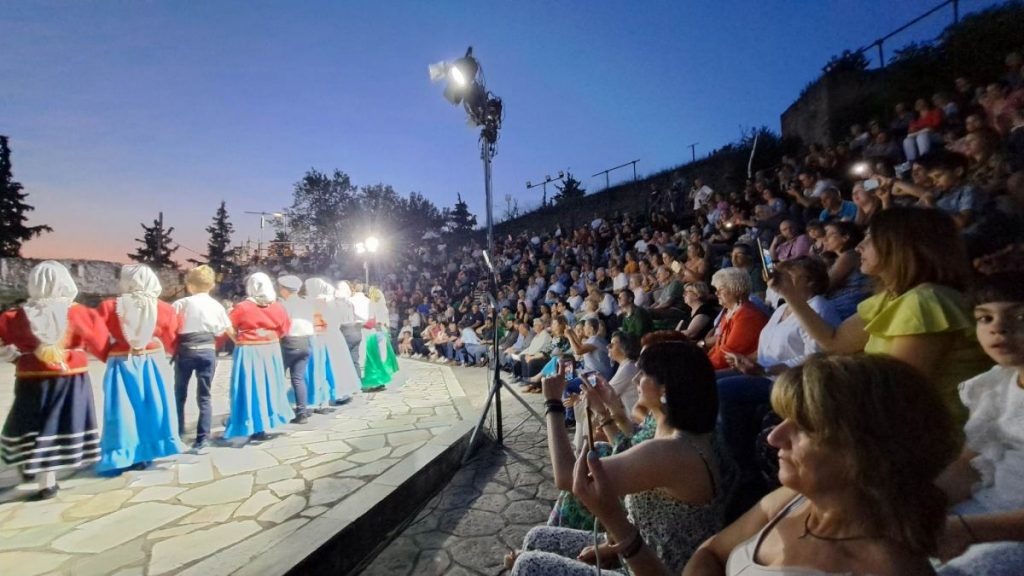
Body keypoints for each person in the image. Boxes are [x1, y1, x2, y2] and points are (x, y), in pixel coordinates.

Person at [572, 354, 959, 576]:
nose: (774, 437)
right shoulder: (792, 500)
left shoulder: (881, 568)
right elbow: (711, 552)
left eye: (803, 426)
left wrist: (619, 527)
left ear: (867, 449)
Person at [511, 340, 725, 575]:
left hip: (651, 566)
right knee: (537, 537)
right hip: (639, 549)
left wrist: (553, 404)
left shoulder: (670, 452)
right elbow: (629, 452)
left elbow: (568, 477)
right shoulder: (686, 434)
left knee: (528, 565)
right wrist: (607, 410)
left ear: (665, 390)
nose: (635, 380)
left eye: (643, 374)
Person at [771, 206, 991, 426]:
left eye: (870, 238)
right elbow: (834, 342)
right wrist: (790, 293)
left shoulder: (926, 302)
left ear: (900, 246)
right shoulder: (889, 299)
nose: (859, 246)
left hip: (935, 432)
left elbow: (896, 393)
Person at [715, 257, 841, 519]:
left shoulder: (819, 307)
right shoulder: (782, 309)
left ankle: (742, 468)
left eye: (790, 274)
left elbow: (817, 356)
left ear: (809, 280)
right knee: (710, 381)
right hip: (762, 373)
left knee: (722, 391)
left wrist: (765, 370)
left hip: (787, 381)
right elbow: (765, 351)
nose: (782, 278)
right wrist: (746, 362)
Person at [934, 272, 1024, 574]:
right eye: (985, 318)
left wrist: (967, 530)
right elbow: (968, 465)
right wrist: (918, 505)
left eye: (1019, 316)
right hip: (980, 512)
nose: (998, 328)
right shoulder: (995, 386)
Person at [0, 261, 110, 499]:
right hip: (70, 378)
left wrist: (18, 359)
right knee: (56, 423)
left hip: (31, 377)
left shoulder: (14, 316)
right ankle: (46, 482)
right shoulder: (81, 314)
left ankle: (29, 464)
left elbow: (4, 346)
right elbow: (101, 344)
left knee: (30, 420)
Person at [95, 264, 182, 473]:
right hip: (153, 361)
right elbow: (172, 339)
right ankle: (152, 448)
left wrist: (106, 354)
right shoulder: (164, 308)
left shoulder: (109, 306)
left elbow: (96, 336)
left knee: (122, 408)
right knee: (154, 404)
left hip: (121, 362)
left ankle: (125, 452)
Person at [225, 273, 294, 441]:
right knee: (269, 385)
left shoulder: (243, 307)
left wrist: (237, 339)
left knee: (250, 386)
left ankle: (251, 423)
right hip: (271, 349)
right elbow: (285, 329)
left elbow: (227, 325)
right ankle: (267, 420)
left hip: (248, 349)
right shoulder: (278, 307)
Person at [172, 265, 233, 450]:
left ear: (190, 285)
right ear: (212, 285)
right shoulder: (216, 306)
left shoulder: (181, 303)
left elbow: (170, 326)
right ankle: (202, 438)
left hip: (185, 349)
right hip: (207, 350)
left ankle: (177, 432)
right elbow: (224, 330)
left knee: (180, 393)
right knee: (205, 395)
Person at [308, 278, 360, 405]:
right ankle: (342, 391)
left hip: (322, 336)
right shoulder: (332, 301)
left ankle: (328, 393)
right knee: (339, 364)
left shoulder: (316, 302)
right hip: (335, 335)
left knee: (326, 365)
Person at [705, 268, 769, 371]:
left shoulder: (748, 316)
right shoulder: (730, 312)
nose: (716, 293)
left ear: (736, 290)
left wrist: (702, 367)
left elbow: (727, 354)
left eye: (721, 289)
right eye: (716, 290)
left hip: (743, 370)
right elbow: (718, 349)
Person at [277, 275, 314, 424]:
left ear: (285, 290)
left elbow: (280, 325)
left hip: (287, 342)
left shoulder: (284, 305)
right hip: (305, 342)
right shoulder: (306, 303)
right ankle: (301, 413)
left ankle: (278, 409)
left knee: (277, 377)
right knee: (298, 379)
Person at [821, 220, 871, 320]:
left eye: (830, 235)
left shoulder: (849, 255)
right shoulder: (838, 258)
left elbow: (825, 286)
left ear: (845, 237)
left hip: (849, 307)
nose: (825, 239)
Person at [336, 281, 364, 391]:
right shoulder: (349, 303)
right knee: (354, 359)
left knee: (342, 360)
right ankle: (357, 383)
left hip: (345, 331)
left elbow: (337, 320)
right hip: (355, 331)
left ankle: (345, 385)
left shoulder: (337, 304)